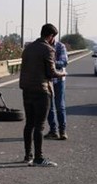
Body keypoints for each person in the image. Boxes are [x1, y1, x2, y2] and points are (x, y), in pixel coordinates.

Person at [19, 23, 66, 167]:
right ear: (51, 36)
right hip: (41, 90)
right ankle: (39, 158)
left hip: (27, 90)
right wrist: (62, 73)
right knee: (39, 126)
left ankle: (28, 155)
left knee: (29, 124)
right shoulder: (48, 49)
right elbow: (51, 72)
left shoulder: (28, 48)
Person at [45, 38, 69, 140]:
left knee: (60, 105)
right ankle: (53, 130)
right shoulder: (43, 47)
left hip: (58, 80)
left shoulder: (60, 46)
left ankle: (62, 131)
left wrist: (51, 63)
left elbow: (64, 62)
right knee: (48, 106)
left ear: (53, 36)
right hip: (47, 80)